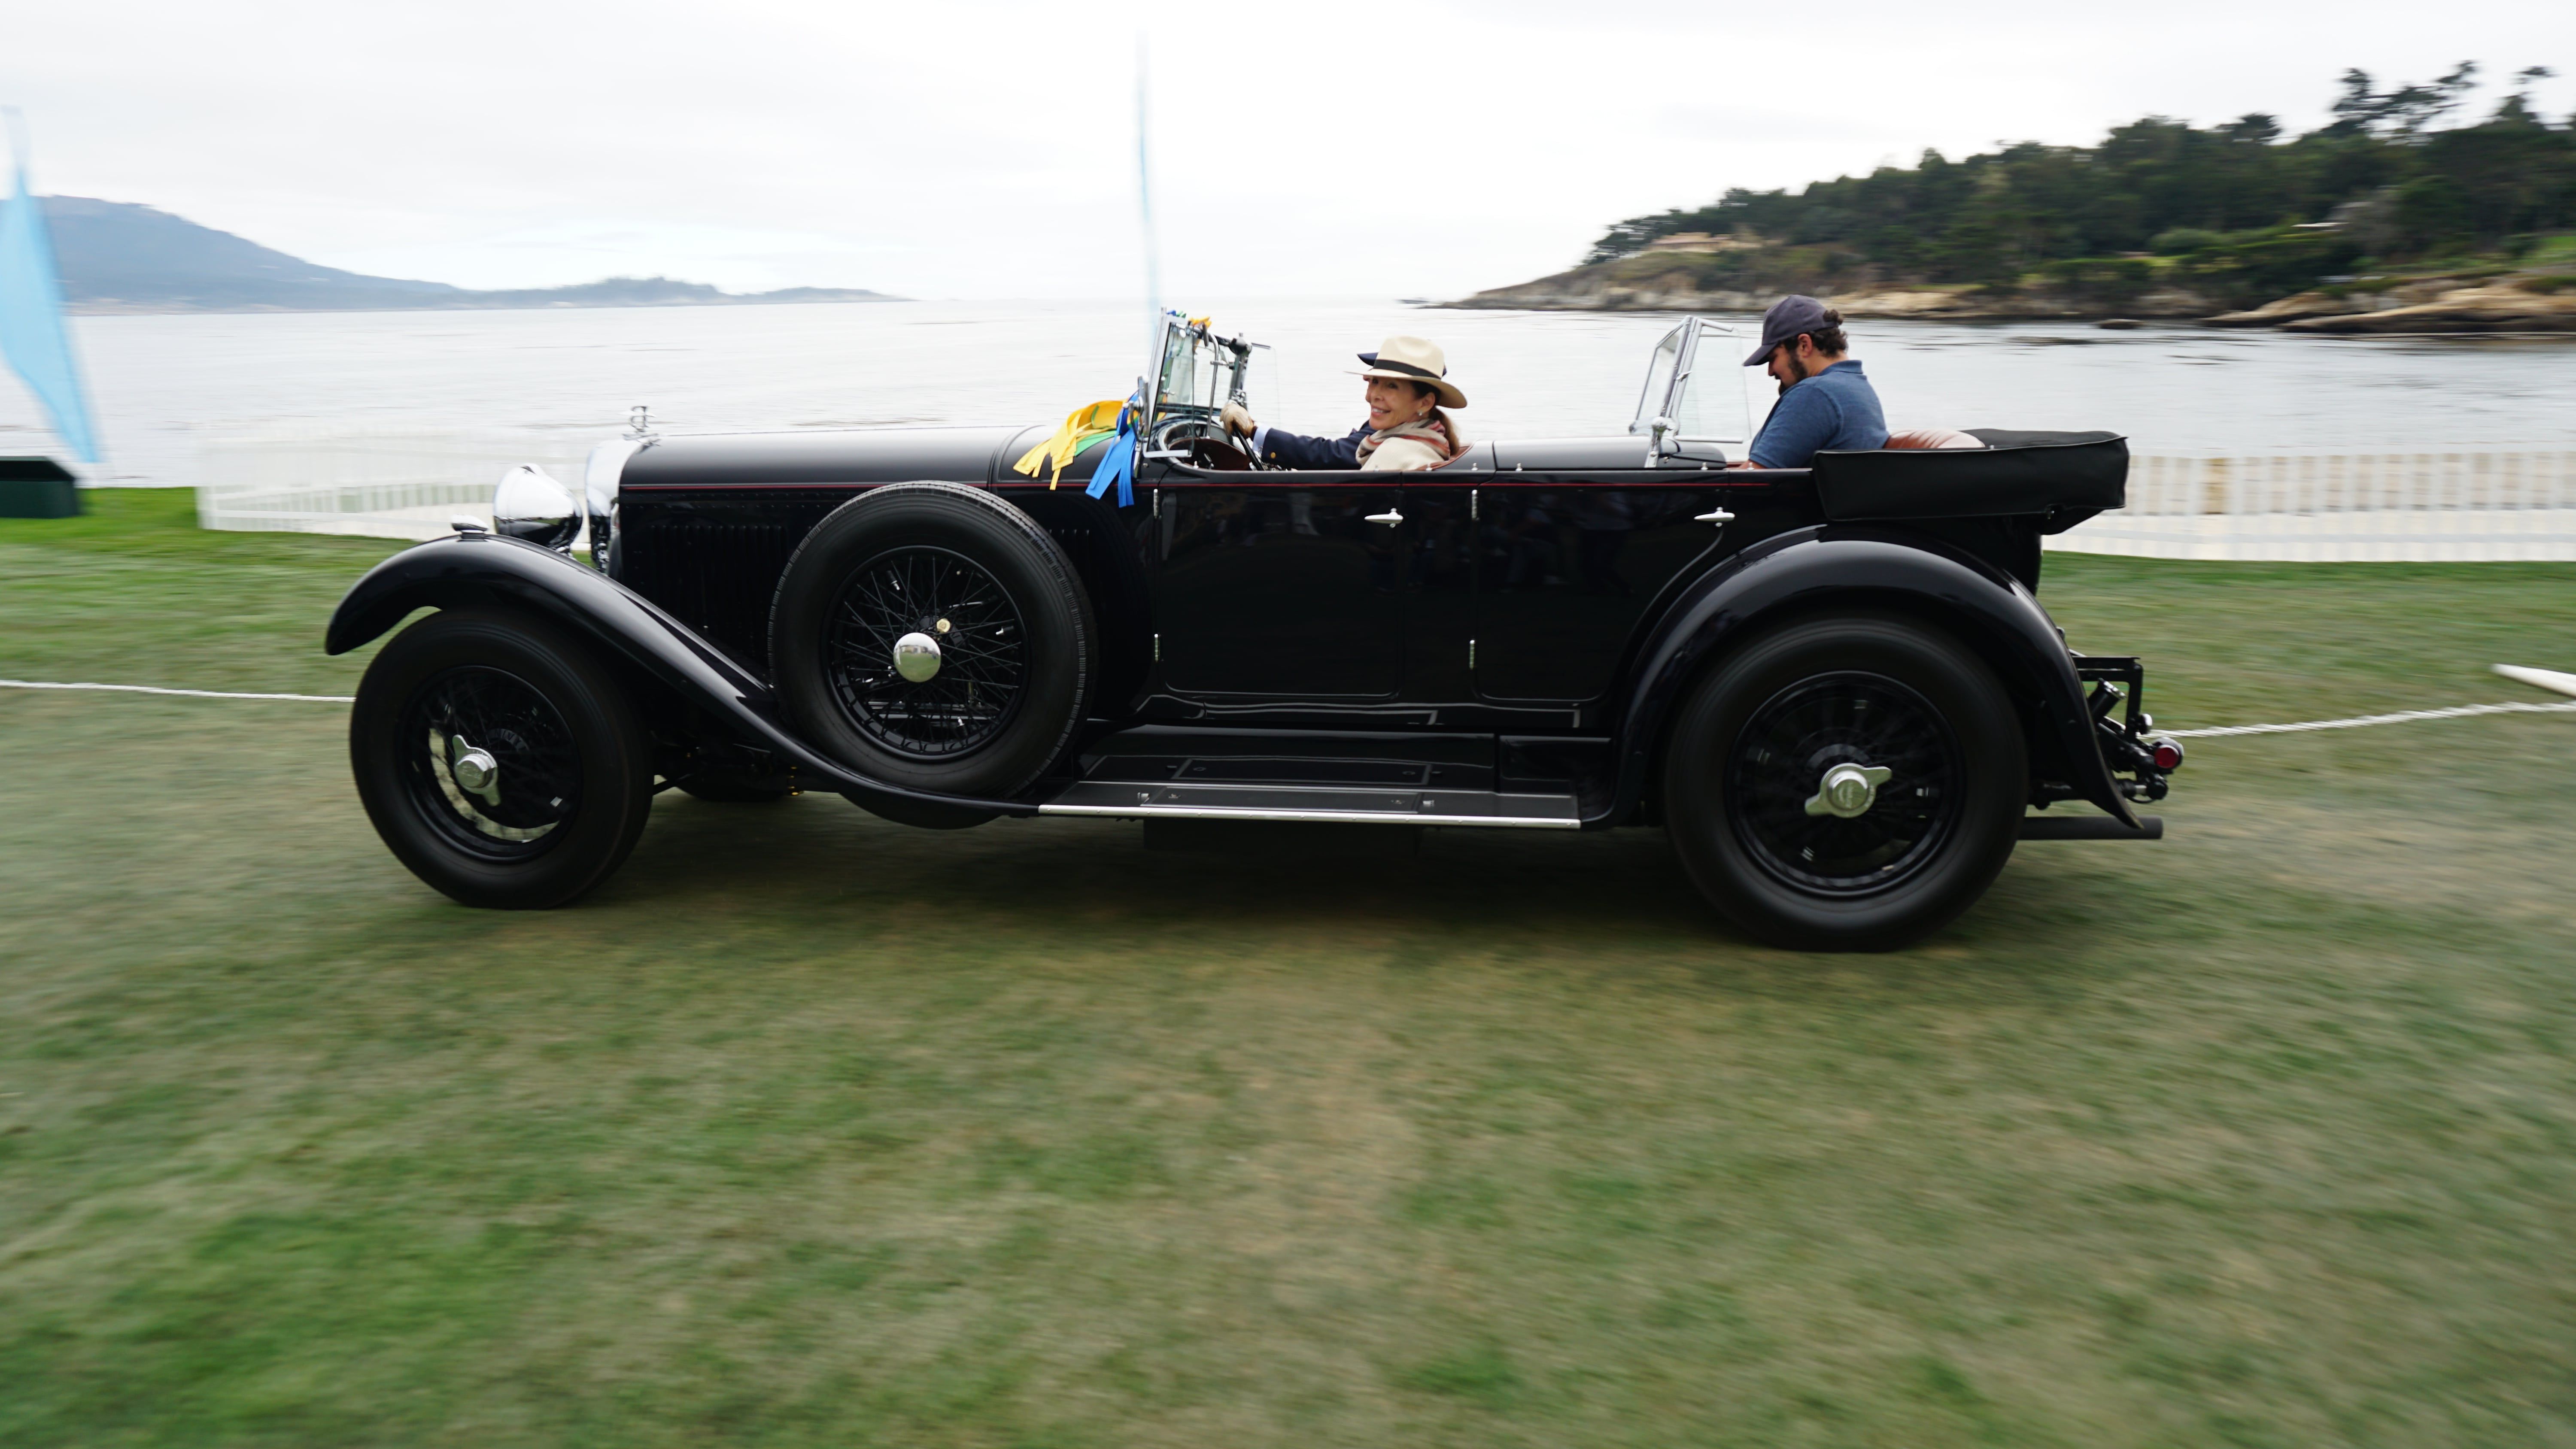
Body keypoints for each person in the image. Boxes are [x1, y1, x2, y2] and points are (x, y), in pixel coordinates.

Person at [1219, 335, 1467, 471]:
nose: (1373, 396)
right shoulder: (1410, 434)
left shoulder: (1395, 451)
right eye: (1374, 383)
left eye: (1391, 386)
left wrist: (1254, 430)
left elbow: (1334, 455)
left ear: (1425, 402)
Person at [1735, 296, 1886, 468]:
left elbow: (1754, 477)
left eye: (1773, 358)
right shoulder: (1858, 387)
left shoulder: (1815, 394)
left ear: (1804, 345)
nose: (1771, 372)